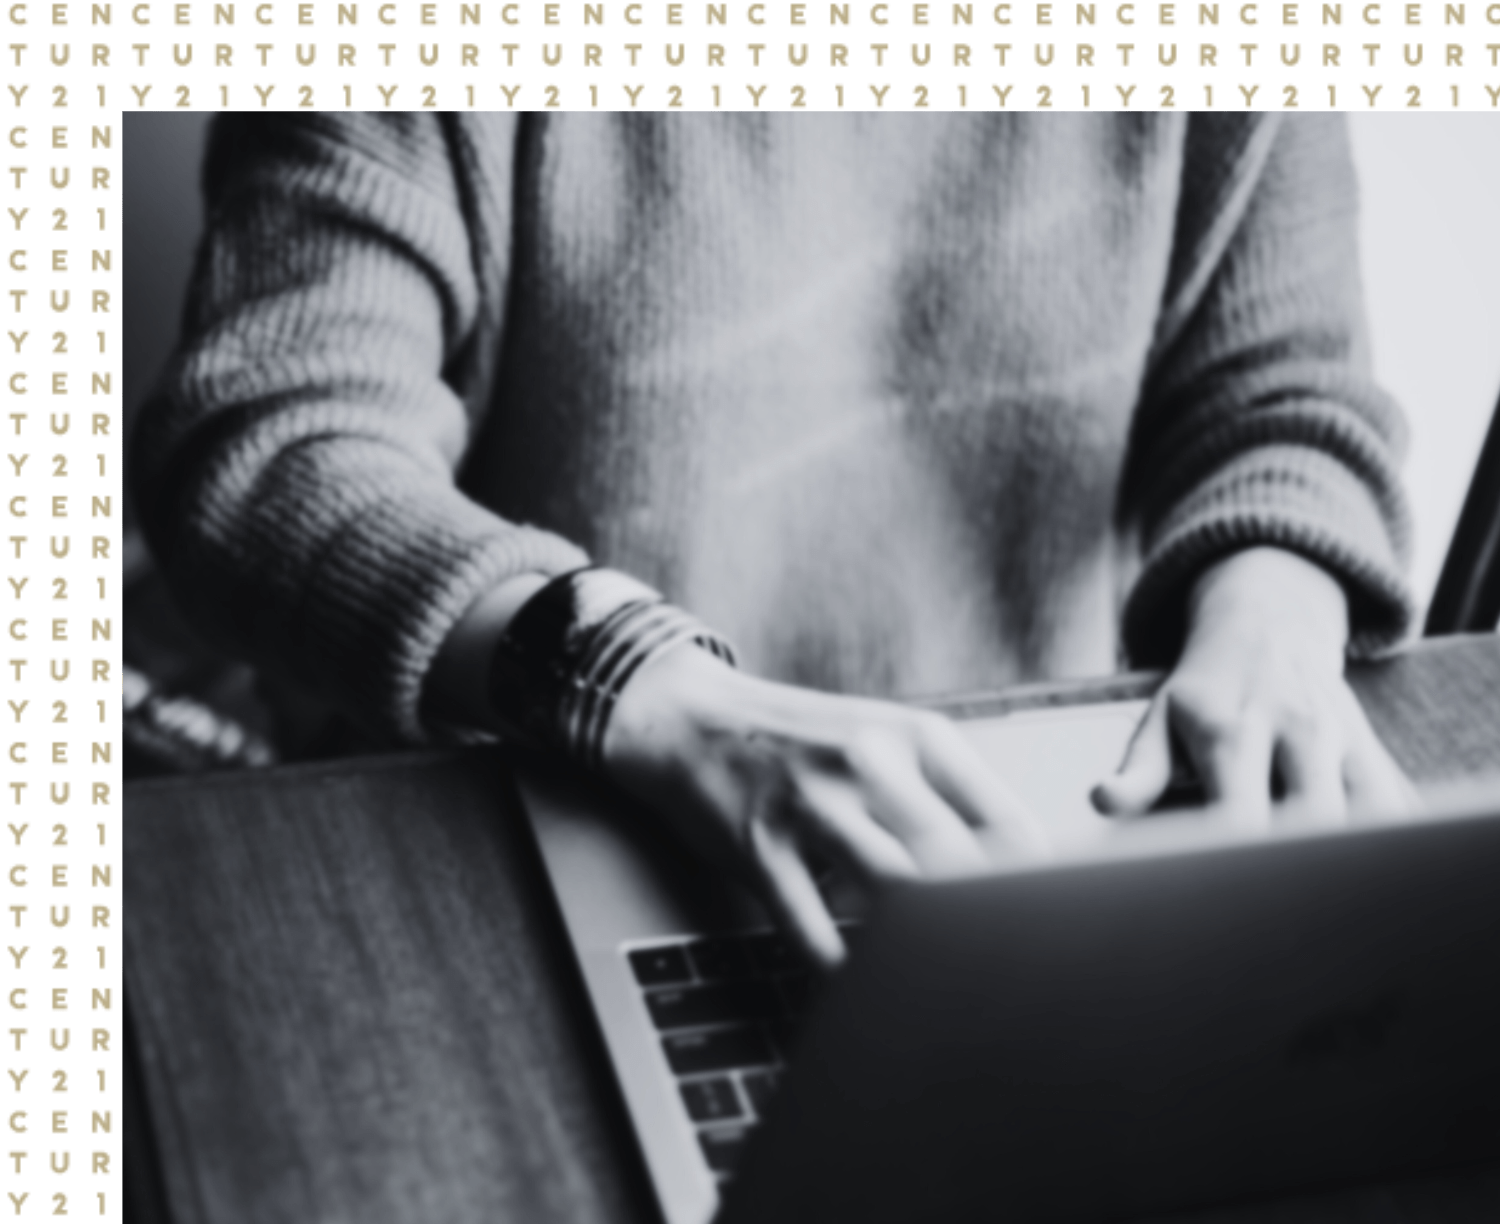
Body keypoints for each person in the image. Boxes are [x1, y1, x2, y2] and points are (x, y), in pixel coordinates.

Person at [133, 112, 1417, 967]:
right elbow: (268, 446)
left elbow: (1286, 397)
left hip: (1026, 841)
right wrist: (632, 681)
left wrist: (1278, 606)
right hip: (520, 827)